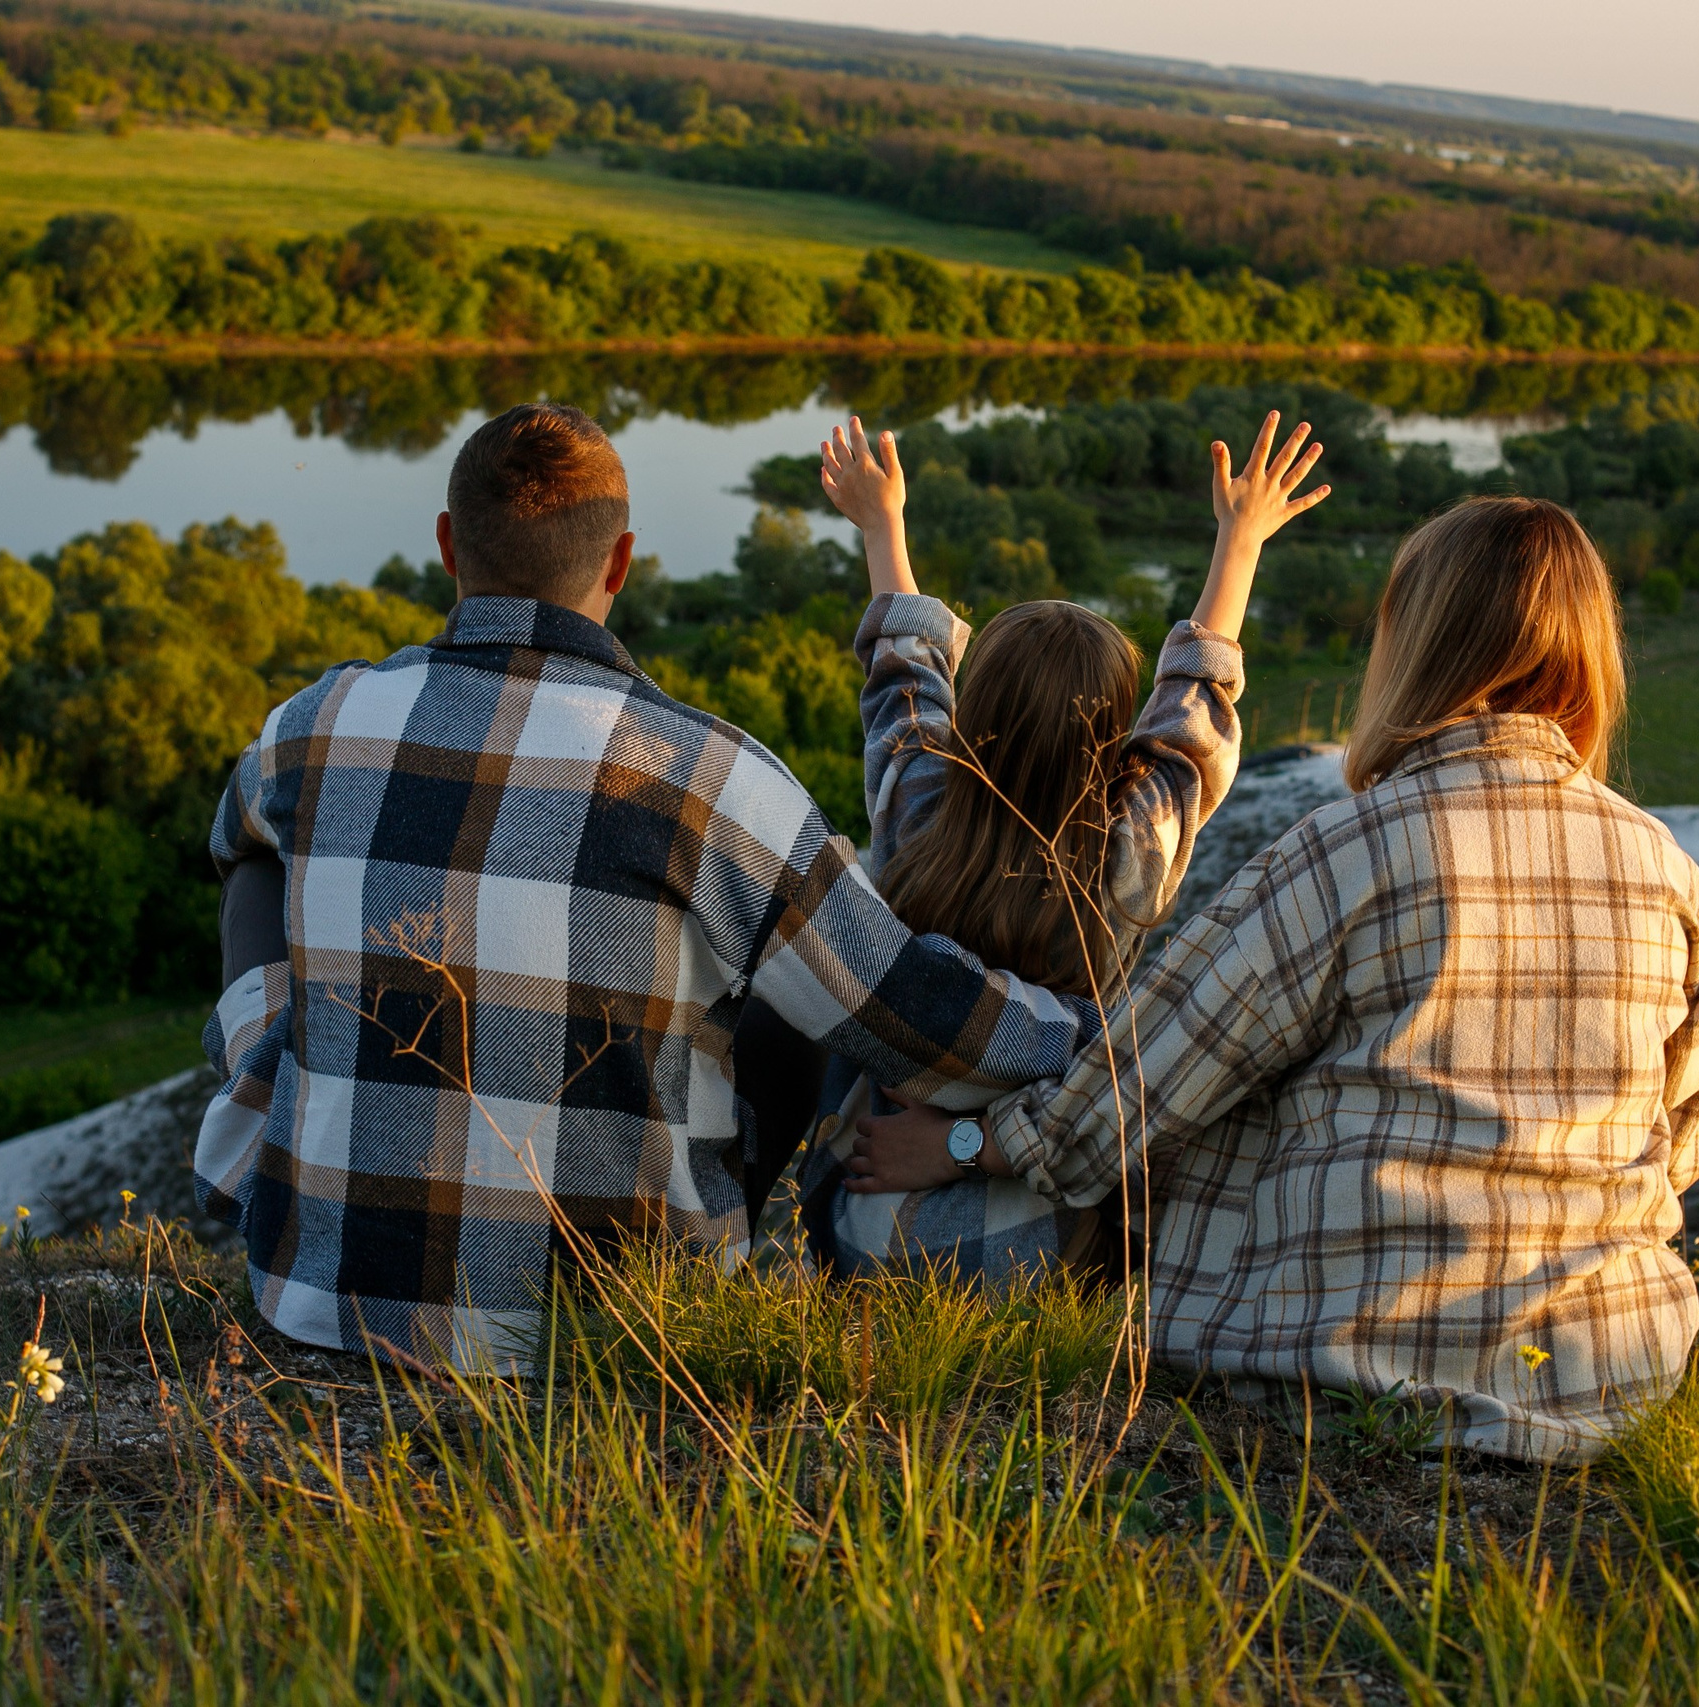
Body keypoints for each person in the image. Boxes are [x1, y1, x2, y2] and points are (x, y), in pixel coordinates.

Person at [194, 402, 1093, 1371]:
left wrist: (264, 1051)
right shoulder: (712, 777)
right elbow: (904, 1011)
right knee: (797, 969)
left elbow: (238, 846)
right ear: (619, 564)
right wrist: (1088, 1031)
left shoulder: (312, 726)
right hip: (624, 1325)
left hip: (317, 1295)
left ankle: (272, 1121)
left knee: (256, 866)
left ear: (450, 546)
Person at [846, 496, 1699, 1463]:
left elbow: (1134, 1092)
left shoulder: (1349, 852)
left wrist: (968, 1141)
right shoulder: (1672, 873)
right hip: (1616, 1374)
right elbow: (1678, 1151)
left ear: (1416, 643)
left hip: (1356, 1367)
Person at [767, 411, 1330, 1279]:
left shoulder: (918, 809)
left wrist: (885, 525)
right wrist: (1240, 539)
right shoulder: (1128, 849)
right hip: (1047, 1250)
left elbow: (905, 680)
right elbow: (1191, 719)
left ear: (973, 722)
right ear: (1112, 752)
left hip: (867, 1232)